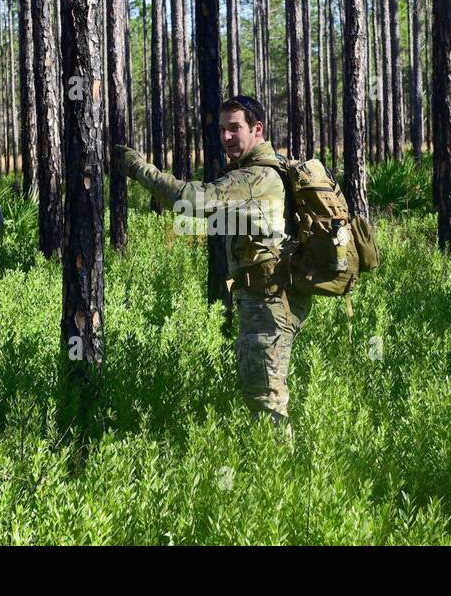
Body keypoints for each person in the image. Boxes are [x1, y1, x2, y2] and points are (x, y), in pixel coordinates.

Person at [118, 95, 309, 437]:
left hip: (269, 302)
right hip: (267, 298)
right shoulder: (266, 169)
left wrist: (138, 168)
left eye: (235, 128)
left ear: (257, 129)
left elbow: (191, 200)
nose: (226, 138)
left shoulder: (255, 177)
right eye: (222, 130)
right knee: (261, 392)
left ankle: (282, 477)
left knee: (267, 400)